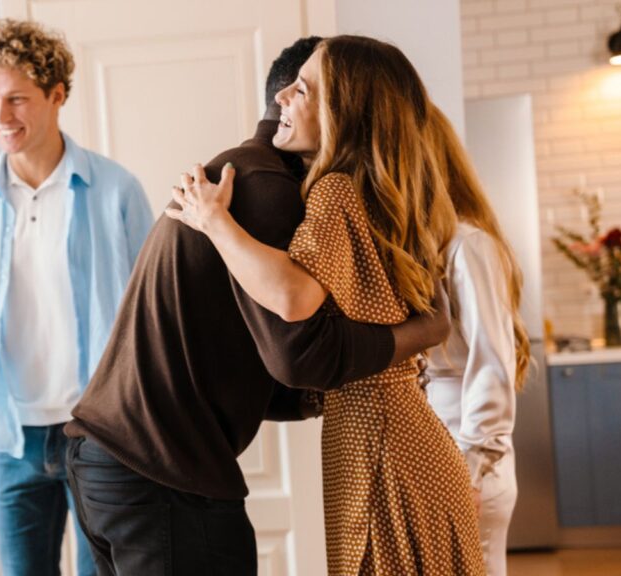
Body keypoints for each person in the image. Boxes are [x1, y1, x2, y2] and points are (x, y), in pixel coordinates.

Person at [65, 36, 453, 575]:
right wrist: (422, 333)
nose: (284, 102)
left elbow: (237, 351)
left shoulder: (261, 181)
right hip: (159, 471)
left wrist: (318, 396)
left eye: (304, 90)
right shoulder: (266, 190)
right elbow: (300, 352)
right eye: (293, 88)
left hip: (117, 460)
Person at [169, 36, 486, 574]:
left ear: (346, 109)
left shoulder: (336, 190)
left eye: (303, 90)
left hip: (378, 442)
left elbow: (294, 297)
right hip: (411, 437)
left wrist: (214, 221)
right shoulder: (389, 191)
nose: (282, 100)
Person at [0, 19, 153, 576]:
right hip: (15, 434)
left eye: (16, 99)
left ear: (57, 96)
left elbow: (149, 309)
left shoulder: (116, 190)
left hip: (101, 429)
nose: (1, 117)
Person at [423, 105, 529, 576]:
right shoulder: (430, 246)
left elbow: (491, 367)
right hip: (443, 457)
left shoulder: (468, 245)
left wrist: (466, 471)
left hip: (470, 466)